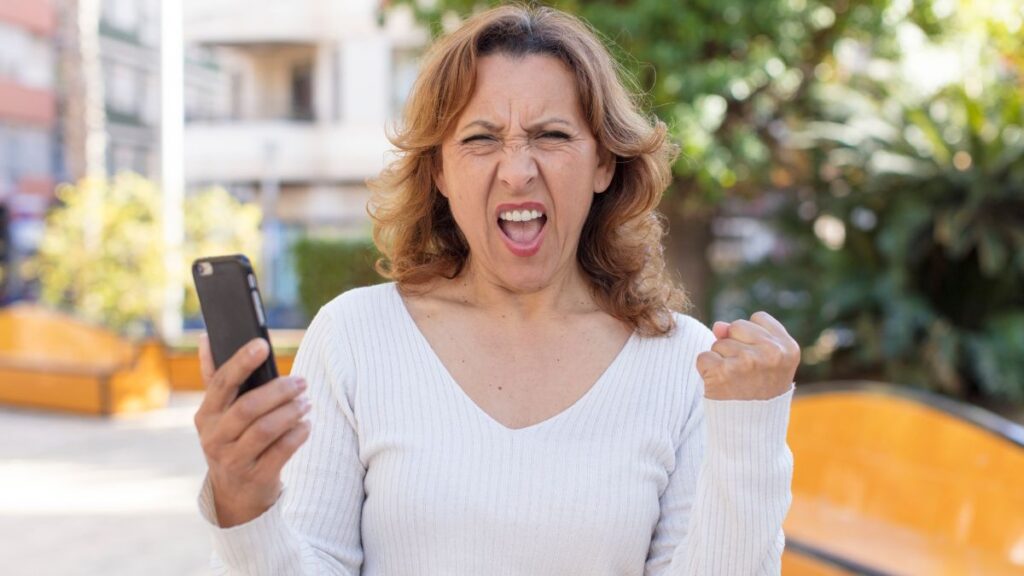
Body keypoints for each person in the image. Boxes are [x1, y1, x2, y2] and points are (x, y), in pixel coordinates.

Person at [193, 5, 799, 575]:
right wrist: (246, 506)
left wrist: (751, 427)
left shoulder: (679, 362)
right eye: (482, 138)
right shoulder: (355, 337)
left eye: (552, 136)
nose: (517, 169)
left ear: (603, 164)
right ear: (440, 170)